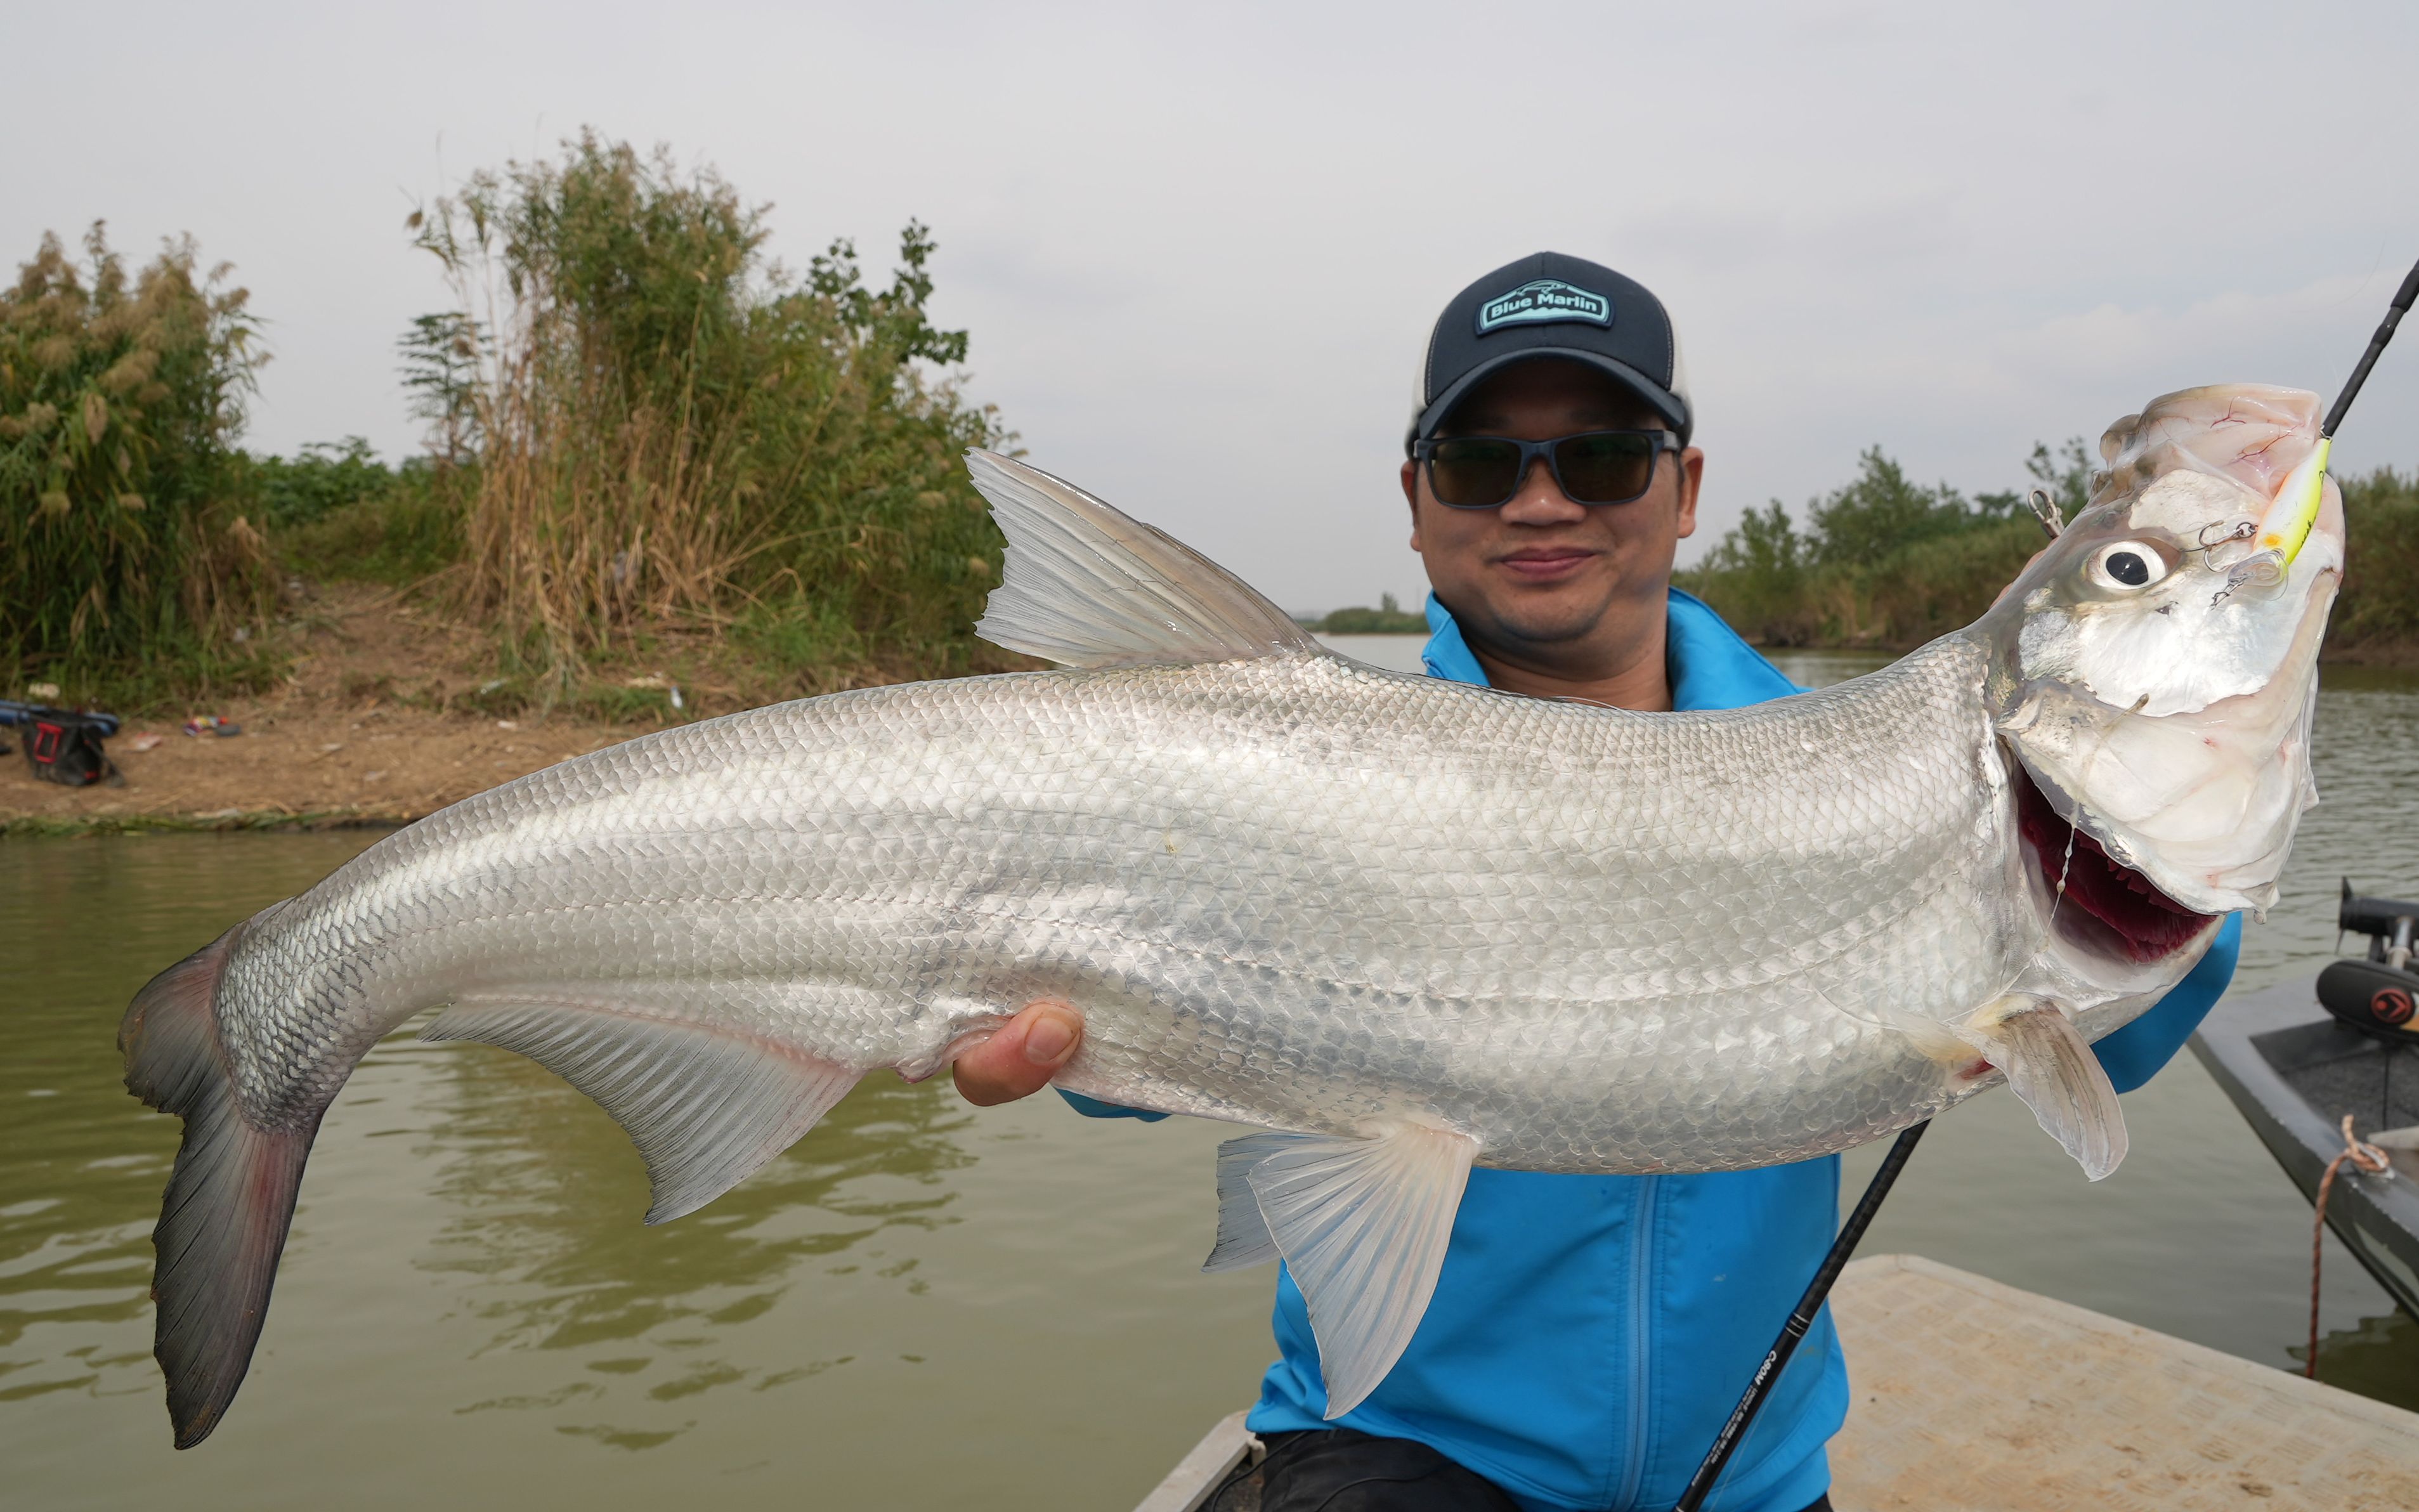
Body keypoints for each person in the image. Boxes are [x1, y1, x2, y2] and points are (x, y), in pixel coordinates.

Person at [954, 252, 2241, 1512]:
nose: (1540, 501)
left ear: (1682, 489)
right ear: (1413, 499)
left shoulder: (1862, 769)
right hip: (1392, 1449)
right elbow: (1158, 1028)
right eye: (1479, 461)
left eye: (1601, 456)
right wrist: (1071, 1035)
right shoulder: (1288, 775)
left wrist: (2164, 880)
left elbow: (2101, 1047)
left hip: (1751, 1473)